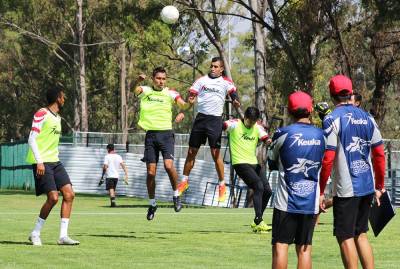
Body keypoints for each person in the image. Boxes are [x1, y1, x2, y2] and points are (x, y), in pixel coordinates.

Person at [319, 74, 386, 269]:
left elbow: (328, 158)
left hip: (346, 189)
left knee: (345, 236)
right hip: (367, 186)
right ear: (350, 93)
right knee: (361, 234)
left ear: (332, 94)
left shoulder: (331, 119)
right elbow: (380, 154)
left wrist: (321, 191)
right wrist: (379, 185)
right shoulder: (368, 118)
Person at [268, 91, 325, 269]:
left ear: (290, 111)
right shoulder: (322, 135)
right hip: (310, 202)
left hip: (286, 202)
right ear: (310, 110)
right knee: (305, 249)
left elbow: (271, 162)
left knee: (280, 245)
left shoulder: (282, 133)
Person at [134, 67, 194, 221]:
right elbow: (132, 89)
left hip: (166, 134)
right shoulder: (146, 90)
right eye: (158, 78)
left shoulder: (171, 93)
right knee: (151, 173)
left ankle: (176, 194)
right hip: (151, 136)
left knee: (168, 166)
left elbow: (184, 105)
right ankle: (152, 203)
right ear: (153, 79)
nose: (161, 81)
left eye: (163, 79)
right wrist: (137, 80)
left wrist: (190, 103)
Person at [177, 57, 241, 202]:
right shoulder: (201, 80)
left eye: (216, 66)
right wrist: (187, 105)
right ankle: (184, 181)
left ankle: (222, 185)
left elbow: (233, 94)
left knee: (215, 153)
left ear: (221, 69)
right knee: (191, 152)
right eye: (211, 66)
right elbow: (191, 95)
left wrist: (236, 101)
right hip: (201, 119)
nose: (212, 68)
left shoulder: (226, 82)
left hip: (215, 121)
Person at [26, 88, 79, 246]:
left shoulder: (58, 118)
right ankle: (35, 233)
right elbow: (31, 139)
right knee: (53, 197)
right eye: (63, 96)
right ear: (57, 98)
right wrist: (40, 161)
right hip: (41, 161)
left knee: (69, 194)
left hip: (55, 162)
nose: (65, 99)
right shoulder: (41, 113)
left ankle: (63, 236)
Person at [224, 107, 272, 232]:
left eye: (254, 121)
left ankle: (257, 221)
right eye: (249, 121)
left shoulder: (257, 127)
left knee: (267, 191)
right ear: (245, 117)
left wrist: (269, 141)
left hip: (253, 163)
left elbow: (265, 138)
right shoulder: (234, 124)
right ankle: (259, 220)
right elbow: (222, 126)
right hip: (240, 163)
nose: (251, 124)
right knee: (258, 186)